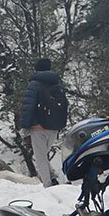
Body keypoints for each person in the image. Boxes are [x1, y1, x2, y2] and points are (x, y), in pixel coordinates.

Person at [20, 58, 69, 186]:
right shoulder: (58, 83)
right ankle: (53, 177)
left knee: (40, 157)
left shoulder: (34, 84)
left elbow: (28, 105)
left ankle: (48, 185)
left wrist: (25, 125)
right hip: (54, 126)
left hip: (39, 126)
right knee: (43, 154)